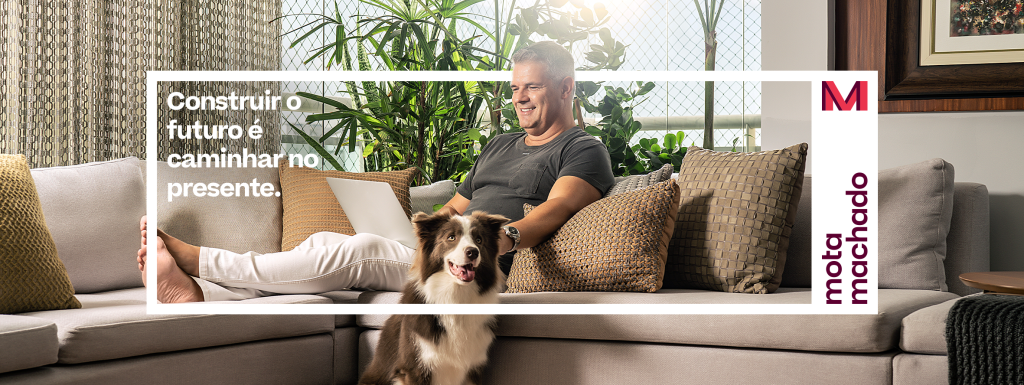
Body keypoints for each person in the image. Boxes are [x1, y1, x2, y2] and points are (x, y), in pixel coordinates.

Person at [139, 41, 615, 303]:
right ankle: (201, 294)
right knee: (326, 243)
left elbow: (556, 209)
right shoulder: (500, 145)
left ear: (567, 86)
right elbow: (452, 208)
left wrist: (497, 239)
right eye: (514, 88)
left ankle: (200, 262)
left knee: (361, 251)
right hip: (442, 249)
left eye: (532, 87)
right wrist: (413, 225)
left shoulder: (582, 149)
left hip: (479, 268)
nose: (519, 97)